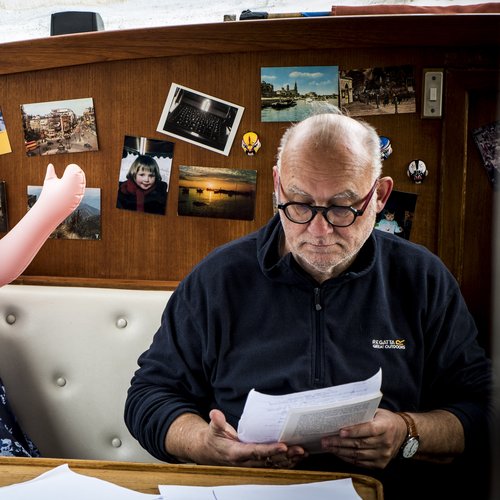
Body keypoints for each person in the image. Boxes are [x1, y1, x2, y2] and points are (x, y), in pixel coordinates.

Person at [125, 111, 492, 500]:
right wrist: (206, 444)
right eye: (299, 203)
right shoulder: (217, 278)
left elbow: (483, 406)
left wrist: (408, 432)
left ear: (380, 196)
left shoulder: (423, 279)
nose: (319, 231)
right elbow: (149, 396)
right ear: (277, 186)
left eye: (342, 207)